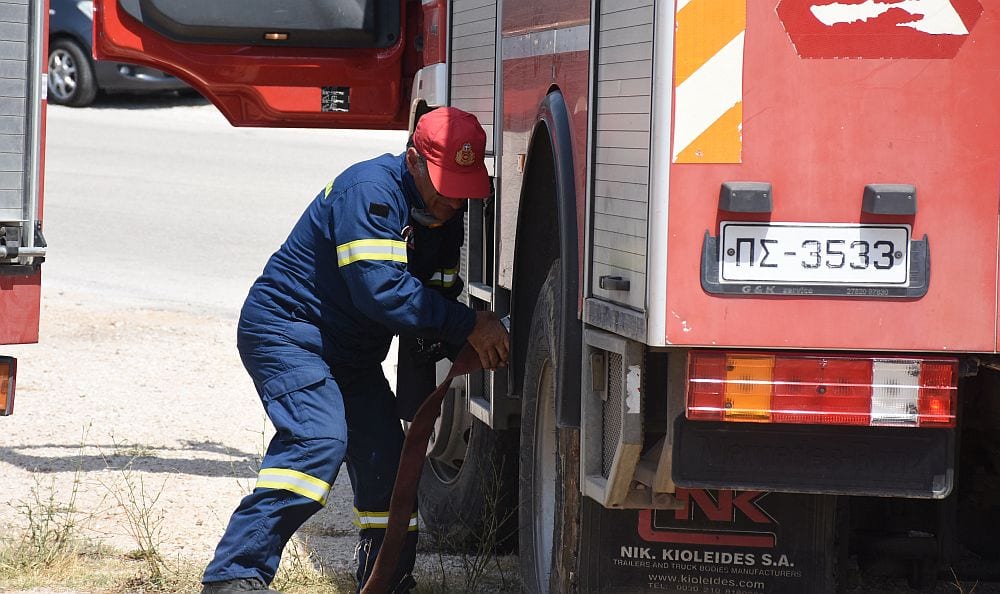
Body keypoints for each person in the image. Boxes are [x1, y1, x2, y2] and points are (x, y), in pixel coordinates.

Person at [200, 107, 510, 594]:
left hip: (352, 354)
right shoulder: (368, 192)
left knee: (390, 460)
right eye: (444, 184)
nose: (454, 200)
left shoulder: (443, 215)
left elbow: (434, 298)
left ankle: (385, 578)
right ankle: (234, 575)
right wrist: (470, 324)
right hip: (289, 332)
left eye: (463, 187)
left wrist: (467, 340)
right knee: (317, 443)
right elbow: (382, 292)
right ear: (412, 161)